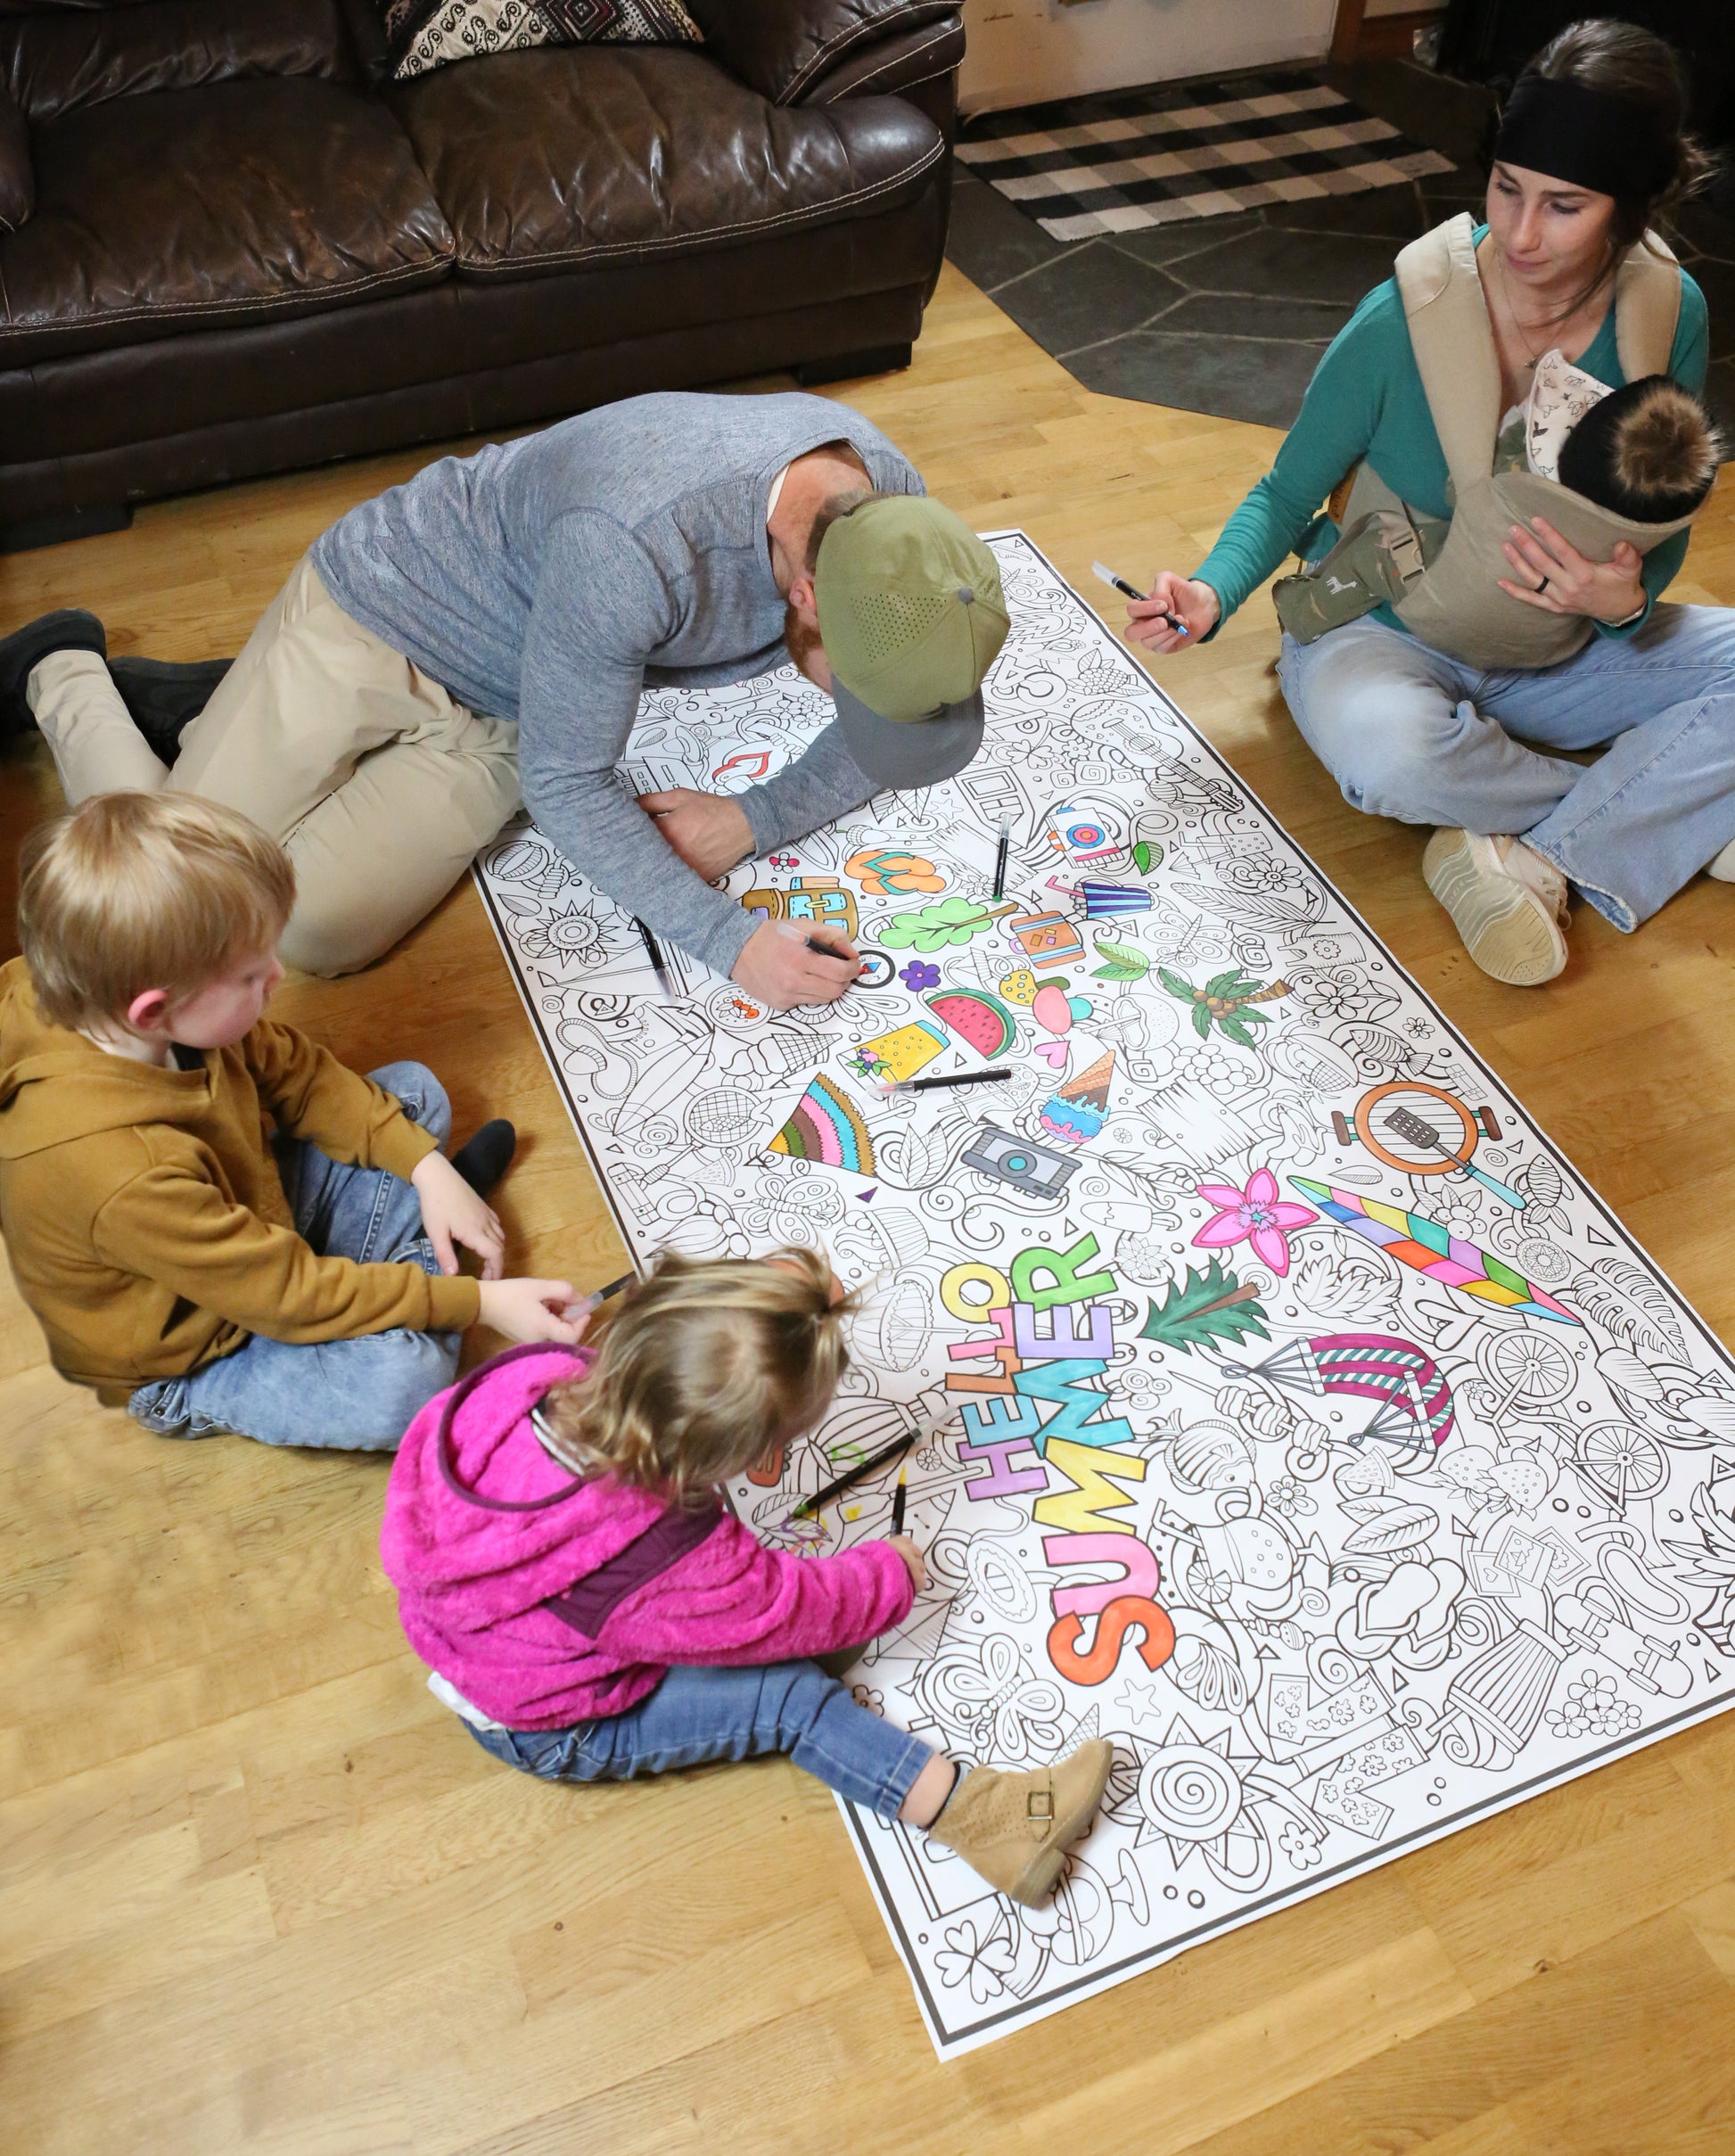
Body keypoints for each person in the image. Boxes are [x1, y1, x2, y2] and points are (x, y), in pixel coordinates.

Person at [0, 393, 1009, 1012]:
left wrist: (756, 816)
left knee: (305, 932)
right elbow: (570, 784)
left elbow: (906, 719)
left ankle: (212, 706)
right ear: (807, 599)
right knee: (168, 898)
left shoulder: (896, 526)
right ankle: (64, 667)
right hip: (384, 612)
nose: (858, 721)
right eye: (850, 697)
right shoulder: (635, 543)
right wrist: (730, 941)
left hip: (527, 701)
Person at [1127, 19, 1731, 988]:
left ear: (1626, 210)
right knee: (1388, 760)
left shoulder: (1667, 315)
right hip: (1380, 631)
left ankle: (1517, 848)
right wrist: (1207, 593)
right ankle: (1646, 814)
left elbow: (1656, 529)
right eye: (1506, 187)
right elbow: (1285, 491)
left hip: (1561, 649)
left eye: (1563, 206)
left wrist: (1622, 601)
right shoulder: (1402, 317)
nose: (1520, 234)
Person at [380, 1247, 1115, 1908]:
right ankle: (988, 1822)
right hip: (551, 1720)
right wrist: (888, 1574)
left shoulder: (525, 1383)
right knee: (791, 1698)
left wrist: (779, 1308)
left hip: (476, 1634)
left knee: (736, 1634)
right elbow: (789, 1609)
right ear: (740, 1455)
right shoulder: (659, 1551)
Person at [0, 792, 585, 1450]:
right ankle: (427, 1272)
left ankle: (417, 1249)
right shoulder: (119, 1172)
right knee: (403, 1387)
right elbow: (283, 1293)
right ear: (152, 1011)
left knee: (412, 1095)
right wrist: (480, 1305)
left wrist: (427, 1170)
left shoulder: (104, 993)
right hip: (203, 1345)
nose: (278, 977)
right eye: (252, 976)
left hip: (249, 1221)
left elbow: (295, 1071)